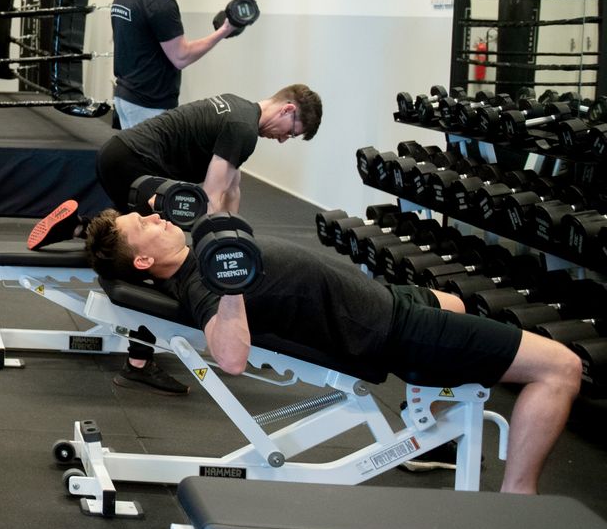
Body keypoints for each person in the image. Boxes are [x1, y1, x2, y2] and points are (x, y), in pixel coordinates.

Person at [84, 209, 582, 495]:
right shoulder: (205, 285)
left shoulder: (197, 257)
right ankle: (519, 497)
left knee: (452, 302)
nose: (155, 215)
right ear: (145, 258)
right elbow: (231, 358)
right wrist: (231, 286)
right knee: (561, 367)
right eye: (143, 222)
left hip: (385, 301)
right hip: (392, 330)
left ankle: (429, 431)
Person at [92, 85, 323, 394]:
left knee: (143, 246)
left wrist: (237, 239)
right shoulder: (243, 128)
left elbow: (233, 188)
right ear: (287, 110)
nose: (282, 139)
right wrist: (218, 256)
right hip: (133, 163)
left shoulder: (240, 109)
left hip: (122, 156)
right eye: (290, 133)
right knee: (156, 260)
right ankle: (138, 363)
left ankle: (84, 230)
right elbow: (210, 198)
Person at [111, 0, 235, 129]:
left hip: (126, 98)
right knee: (150, 162)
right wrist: (224, 31)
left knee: (136, 160)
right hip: (147, 105)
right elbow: (181, 56)